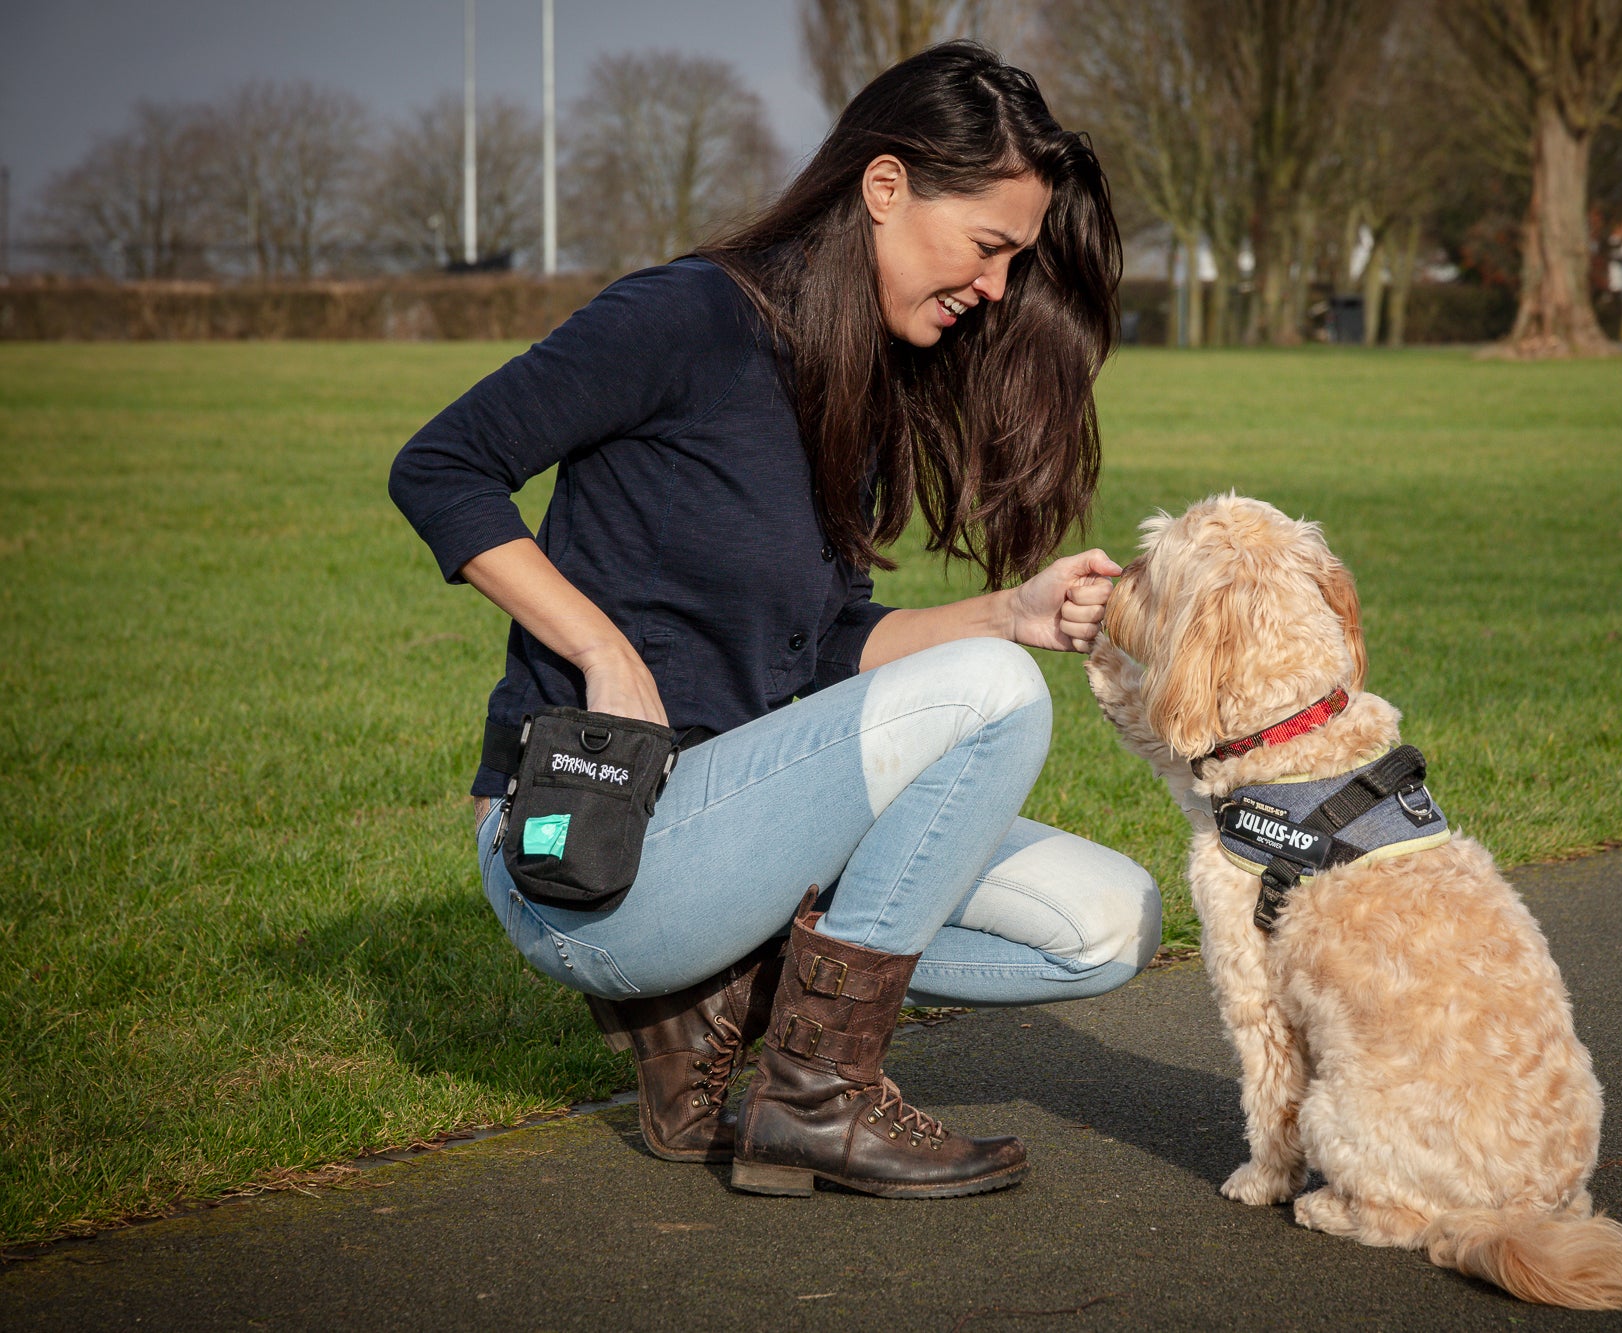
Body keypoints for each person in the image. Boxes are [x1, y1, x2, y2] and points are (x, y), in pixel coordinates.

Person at [388, 42, 1159, 1201]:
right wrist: (600, 649)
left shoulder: (853, 375)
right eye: (987, 246)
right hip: (594, 855)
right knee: (991, 696)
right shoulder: (686, 315)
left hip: (738, 840)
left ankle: (721, 1002)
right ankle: (816, 1094)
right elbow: (441, 465)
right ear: (886, 186)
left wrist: (1010, 612)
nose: (997, 288)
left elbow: (830, 644)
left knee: (1107, 923)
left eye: (1013, 260)